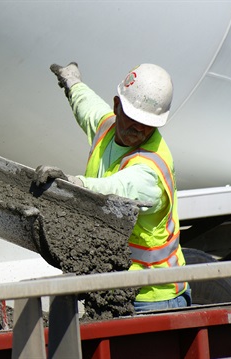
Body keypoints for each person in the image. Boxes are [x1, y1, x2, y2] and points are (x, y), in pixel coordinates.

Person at [35, 62, 191, 312]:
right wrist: (73, 83)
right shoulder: (107, 127)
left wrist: (72, 183)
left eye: (147, 123)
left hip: (153, 297)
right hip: (116, 287)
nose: (139, 129)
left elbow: (114, 190)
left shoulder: (151, 168)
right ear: (117, 106)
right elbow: (89, 107)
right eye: (133, 118)